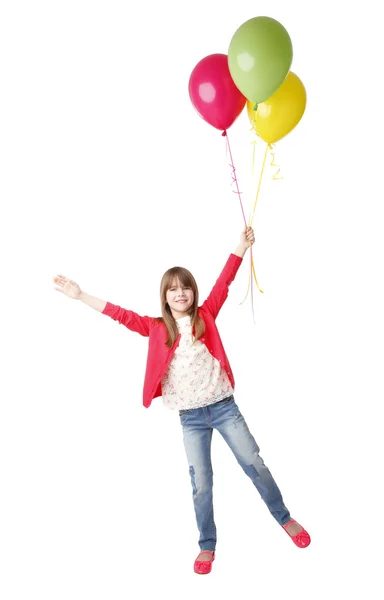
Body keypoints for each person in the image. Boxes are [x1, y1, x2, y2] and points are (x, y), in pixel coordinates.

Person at [52, 226, 310, 575]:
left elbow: (224, 282)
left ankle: (284, 517)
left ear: (193, 291)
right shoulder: (157, 328)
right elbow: (120, 314)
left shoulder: (206, 316)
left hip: (223, 407)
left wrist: (240, 246)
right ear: (164, 296)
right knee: (200, 482)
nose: (180, 293)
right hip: (190, 418)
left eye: (185, 286)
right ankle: (207, 545)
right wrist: (81, 295)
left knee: (254, 463)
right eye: (172, 289)